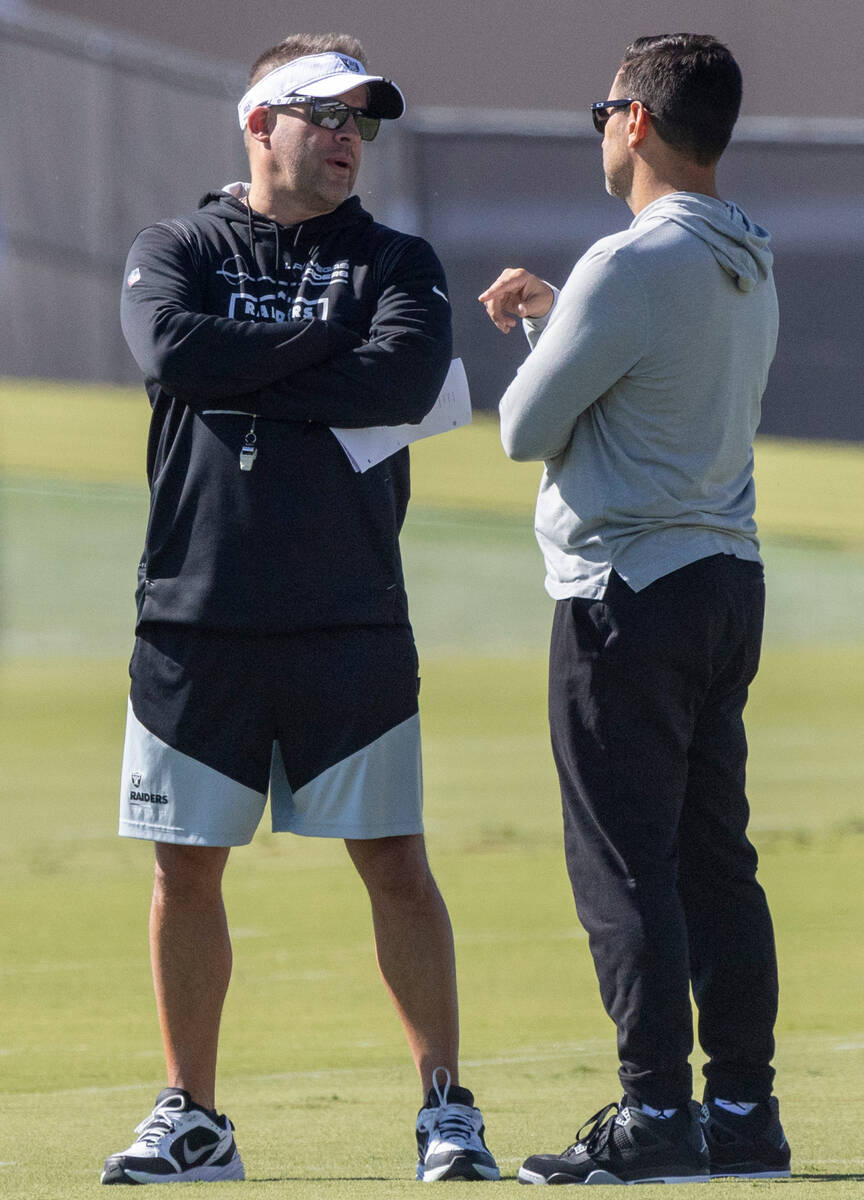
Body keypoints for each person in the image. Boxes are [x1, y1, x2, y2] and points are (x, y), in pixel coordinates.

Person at [103, 33, 498, 1186]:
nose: (347, 137)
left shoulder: (398, 260)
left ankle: (444, 1109)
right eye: (325, 114)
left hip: (349, 614)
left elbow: (402, 380)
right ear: (259, 121)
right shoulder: (173, 245)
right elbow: (172, 348)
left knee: (395, 864)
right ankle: (195, 1118)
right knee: (185, 872)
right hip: (195, 612)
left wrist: (250, 365)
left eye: (362, 121)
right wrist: (326, 341)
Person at [480, 33, 790, 1186]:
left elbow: (524, 430)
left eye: (604, 107)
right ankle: (745, 1115)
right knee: (716, 859)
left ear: (641, 122)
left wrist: (541, 326)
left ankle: (658, 1118)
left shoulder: (628, 261)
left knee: (626, 864)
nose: (602, 125)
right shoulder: (746, 254)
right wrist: (564, 319)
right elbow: (647, 380)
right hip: (723, 584)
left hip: (629, 592)